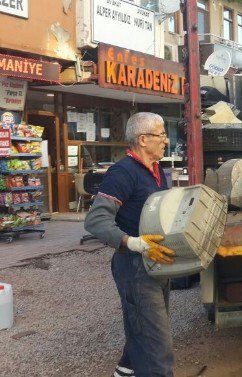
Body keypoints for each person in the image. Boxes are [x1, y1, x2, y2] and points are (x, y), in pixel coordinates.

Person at [84, 112, 176, 377]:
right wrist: (134, 243)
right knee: (157, 348)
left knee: (143, 330)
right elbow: (96, 220)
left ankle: (125, 370)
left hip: (156, 262)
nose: (166, 141)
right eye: (161, 135)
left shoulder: (156, 171)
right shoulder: (123, 172)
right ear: (143, 139)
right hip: (135, 267)